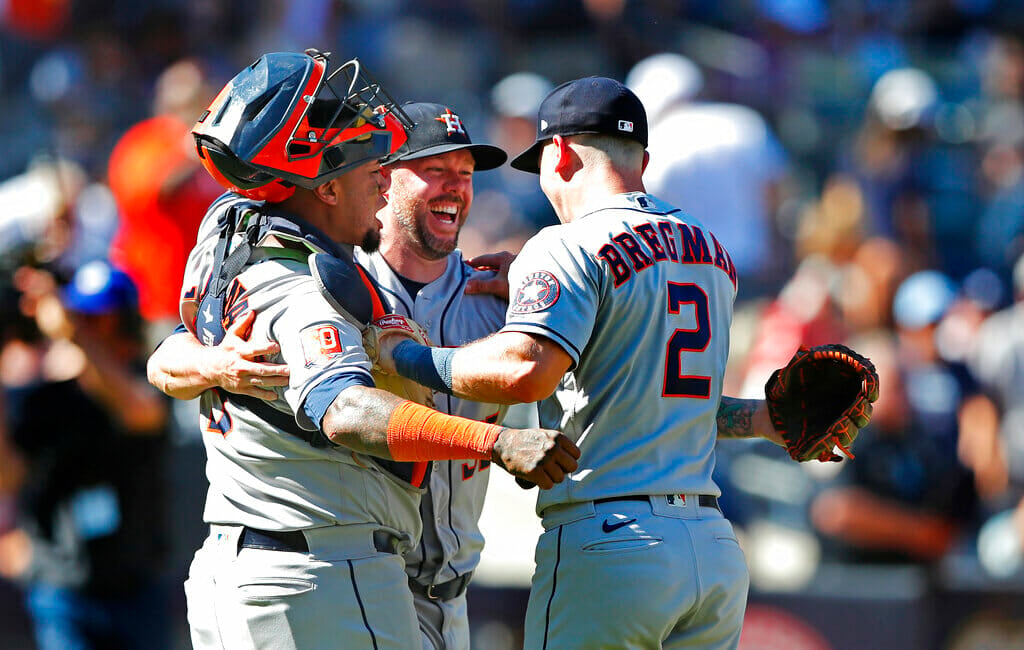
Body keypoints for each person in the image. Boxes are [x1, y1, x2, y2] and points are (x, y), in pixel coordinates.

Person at [145, 50, 578, 650]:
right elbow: (344, 409)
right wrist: (496, 440)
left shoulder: (241, 239)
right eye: (373, 164)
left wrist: (210, 364)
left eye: (466, 170)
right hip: (323, 568)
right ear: (324, 185)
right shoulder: (312, 288)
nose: (376, 177)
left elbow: (168, 352)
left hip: (255, 567)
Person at [374, 76, 794, 649]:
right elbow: (660, 395)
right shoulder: (710, 250)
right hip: (711, 548)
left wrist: (410, 357)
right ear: (642, 160)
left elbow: (527, 372)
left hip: (614, 542)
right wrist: (762, 420)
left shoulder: (566, 242)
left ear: (561, 152)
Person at [0, 260, 171, 650]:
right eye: (85, 318)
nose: (95, 329)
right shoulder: (44, 398)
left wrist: (73, 333)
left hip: (137, 585)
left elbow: (139, 412)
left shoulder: (149, 377)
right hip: (63, 587)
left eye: (103, 320)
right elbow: (8, 477)